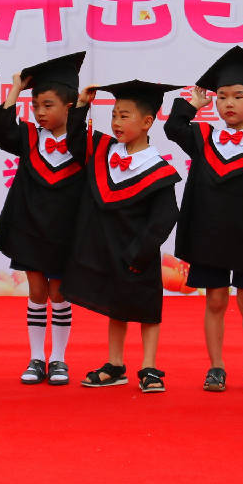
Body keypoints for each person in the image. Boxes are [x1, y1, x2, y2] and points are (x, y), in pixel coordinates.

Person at [164, 46, 243, 393]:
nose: (228, 103)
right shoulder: (204, 137)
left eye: (238, 96)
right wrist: (193, 105)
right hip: (209, 233)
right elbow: (174, 127)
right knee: (215, 300)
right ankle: (216, 366)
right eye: (222, 96)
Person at [68, 79, 183, 393]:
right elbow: (74, 142)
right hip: (108, 249)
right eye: (114, 115)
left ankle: (149, 366)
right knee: (115, 306)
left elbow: (164, 217)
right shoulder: (103, 151)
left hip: (138, 252)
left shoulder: (158, 169)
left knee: (147, 309)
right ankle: (115, 364)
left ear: (147, 122)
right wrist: (81, 105)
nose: (116, 122)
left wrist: (140, 252)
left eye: (124, 115)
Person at [0, 51, 90, 386]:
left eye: (48, 105)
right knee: (36, 291)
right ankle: (36, 358)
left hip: (65, 232)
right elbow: (1, 131)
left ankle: (59, 358)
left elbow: (80, 142)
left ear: (69, 107)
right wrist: (15, 90)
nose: (40, 112)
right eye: (36, 105)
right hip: (31, 228)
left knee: (59, 294)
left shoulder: (83, 143)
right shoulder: (29, 137)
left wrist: (82, 109)